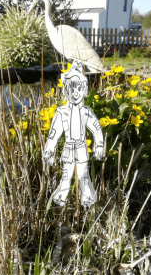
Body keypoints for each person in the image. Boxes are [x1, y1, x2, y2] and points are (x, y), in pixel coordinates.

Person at [43, 60, 104, 208]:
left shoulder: (86, 112)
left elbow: (97, 130)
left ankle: (87, 201)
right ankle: (60, 201)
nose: (75, 93)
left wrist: (99, 146)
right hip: (69, 149)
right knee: (66, 175)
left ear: (83, 90)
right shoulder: (61, 112)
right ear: (66, 91)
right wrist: (49, 151)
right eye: (71, 90)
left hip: (82, 148)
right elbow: (54, 134)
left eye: (78, 89)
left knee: (84, 175)